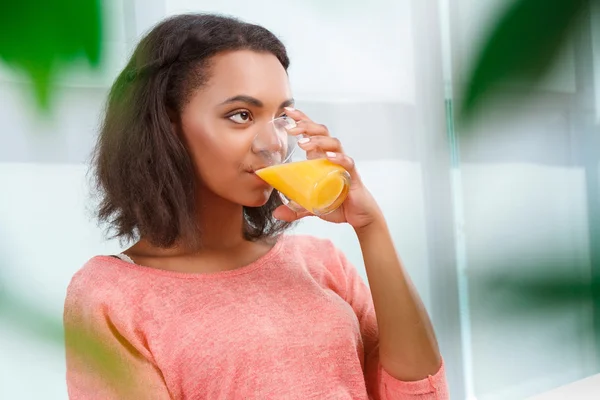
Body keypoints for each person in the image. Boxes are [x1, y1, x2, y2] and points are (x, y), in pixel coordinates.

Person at [63, 13, 449, 400]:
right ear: (166, 124)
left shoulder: (321, 263)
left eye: (281, 117)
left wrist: (371, 227)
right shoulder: (110, 295)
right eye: (241, 115)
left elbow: (418, 392)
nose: (273, 144)